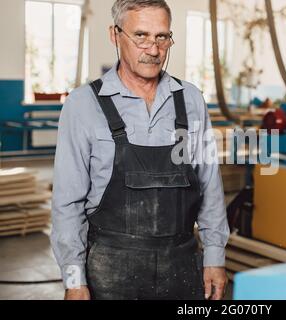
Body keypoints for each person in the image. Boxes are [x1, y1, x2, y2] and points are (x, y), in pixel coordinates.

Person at [51, 0, 229, 300]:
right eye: (141, 36)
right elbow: (67, 203)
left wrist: (214, 257)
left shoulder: (191, 100)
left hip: (182, 266)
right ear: (115, 35)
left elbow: (210, 186)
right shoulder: (83, 105)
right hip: (109, 271)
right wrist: (73, 279)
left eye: (162, 37)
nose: (154, 49)